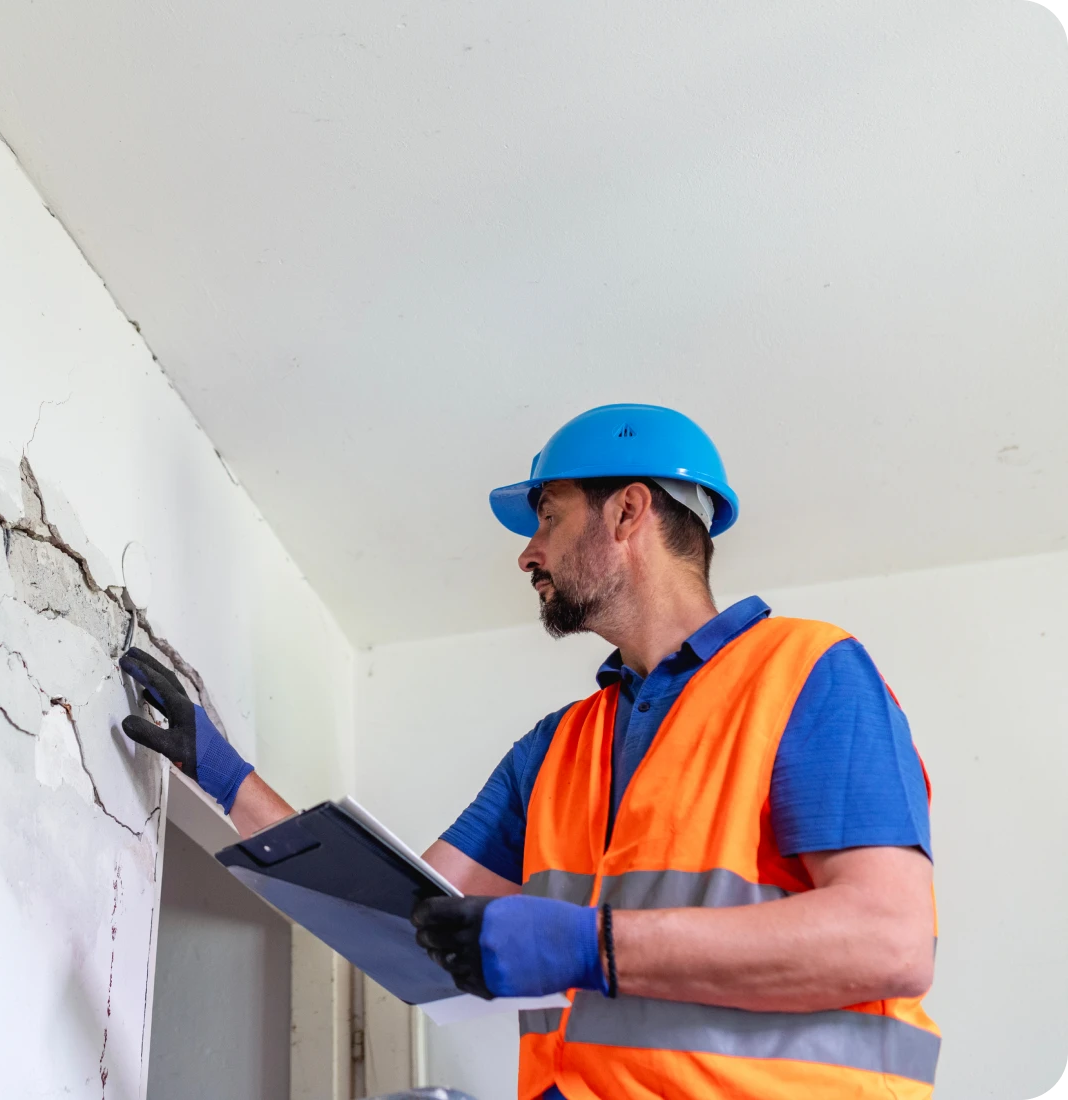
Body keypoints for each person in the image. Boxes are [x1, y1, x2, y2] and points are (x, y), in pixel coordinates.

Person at [120, 403, 939, 1100]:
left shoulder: (808, 673)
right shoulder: (558, 748)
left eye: (549, 517)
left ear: (628, 513)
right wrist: (224, 777)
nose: (527, 551)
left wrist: (593, 947)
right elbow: (404, 919)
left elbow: (889, 942)